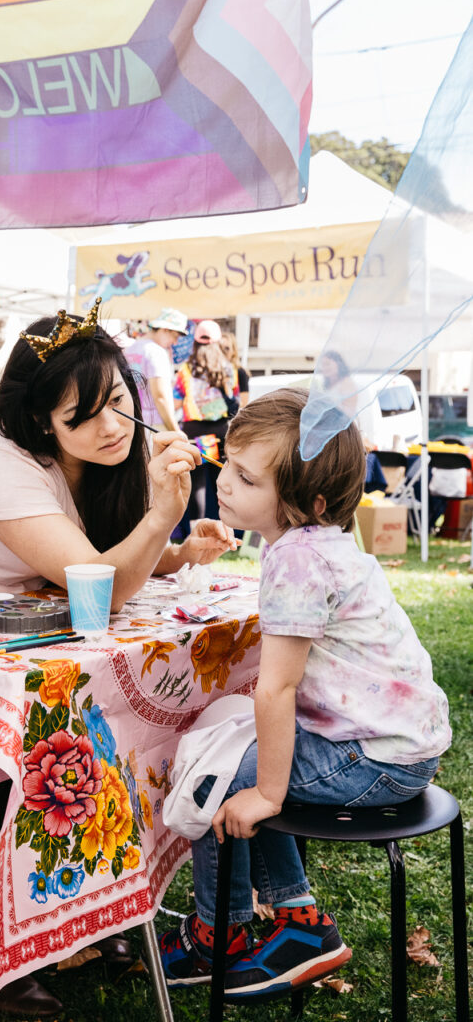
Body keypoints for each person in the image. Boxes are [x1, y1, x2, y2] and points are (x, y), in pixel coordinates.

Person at [0, 303, 237, 1015]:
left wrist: (176, 552)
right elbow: (94, 587)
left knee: (118, 714)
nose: (111, 426)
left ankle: (96, 913)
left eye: (119, 400)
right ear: (43, 422)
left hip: (26, 625)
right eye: (83, 416)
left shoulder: (110, 450)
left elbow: (101, 557)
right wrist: (161, 515)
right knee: (48, 729)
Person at [160, 387, 451, 1001]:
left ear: (308, 502)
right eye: (227, 464)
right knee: (234, 736)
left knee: (217, 776)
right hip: (394, 746)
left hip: (374, 760)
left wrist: (266, 793)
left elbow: (278, 687)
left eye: (247, 478)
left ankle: (219, 937)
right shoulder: (315, 542)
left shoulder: (297, 561)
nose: (225, 482)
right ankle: (297, 920)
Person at [173, 319, 238, 528]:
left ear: (195, 342)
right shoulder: (228, 368)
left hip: (196, 432)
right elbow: (234, 398)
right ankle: (227, 531)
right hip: (222, 431)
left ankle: (198, 532)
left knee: (198, 484)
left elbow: (176, 402)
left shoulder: (186, 370)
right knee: (224, 481)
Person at [124, 307, 188, 432]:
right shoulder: (156, 352)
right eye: (175, 337)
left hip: (134, 421)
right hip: (155, 424)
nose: (175, 342)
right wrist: (175, 430)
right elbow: (160, 397)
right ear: (166, 330)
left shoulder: (130, 349)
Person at [220, 329, 249, 407]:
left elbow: (244, 403)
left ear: (233, 351)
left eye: (227, 348)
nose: (223, 351)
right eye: (220, 348)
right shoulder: (212, 371)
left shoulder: (240, 372)